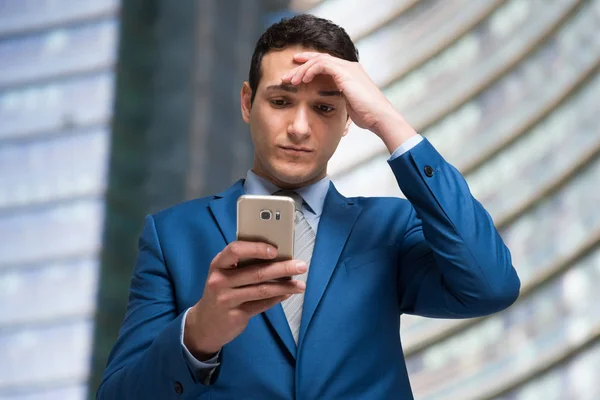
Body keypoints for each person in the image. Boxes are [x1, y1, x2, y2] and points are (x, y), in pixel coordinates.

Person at [97, 14, 520, 399]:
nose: (299, 128)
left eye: (324, 108)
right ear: (247, 103)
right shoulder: (172, 236)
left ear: (349, 118)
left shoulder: (389, 228)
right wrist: (197, 335)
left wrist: (390, 123)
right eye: (280, 102)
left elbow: (491, 286)